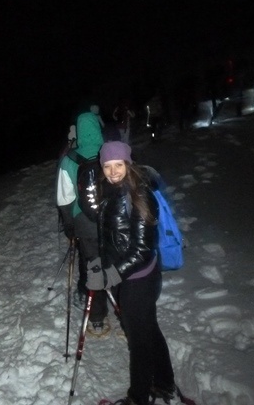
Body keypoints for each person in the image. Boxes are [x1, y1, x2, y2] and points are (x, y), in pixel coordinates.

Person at [88, 141, 176, 405]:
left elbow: (142, 250)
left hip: (139, 279)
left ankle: (138, 398)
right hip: (125, 275)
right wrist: (101, 262)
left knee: (139, 341)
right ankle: (164, 382)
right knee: (149, 328)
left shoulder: (139, 195)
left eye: (118, 165)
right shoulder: (109, 190)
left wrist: (111, 275)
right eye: (107, 166)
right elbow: (112, 235)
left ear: (128, 164)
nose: (113, 171)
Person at [55, 111, 110, 336]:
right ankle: (123, 306)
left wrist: (70, 226)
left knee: (93, 266)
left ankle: (97, 317)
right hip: (112, 220)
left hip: (85, 224)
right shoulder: (110, 152)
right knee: (116, 262)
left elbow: (64, 199)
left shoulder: (70, 159)